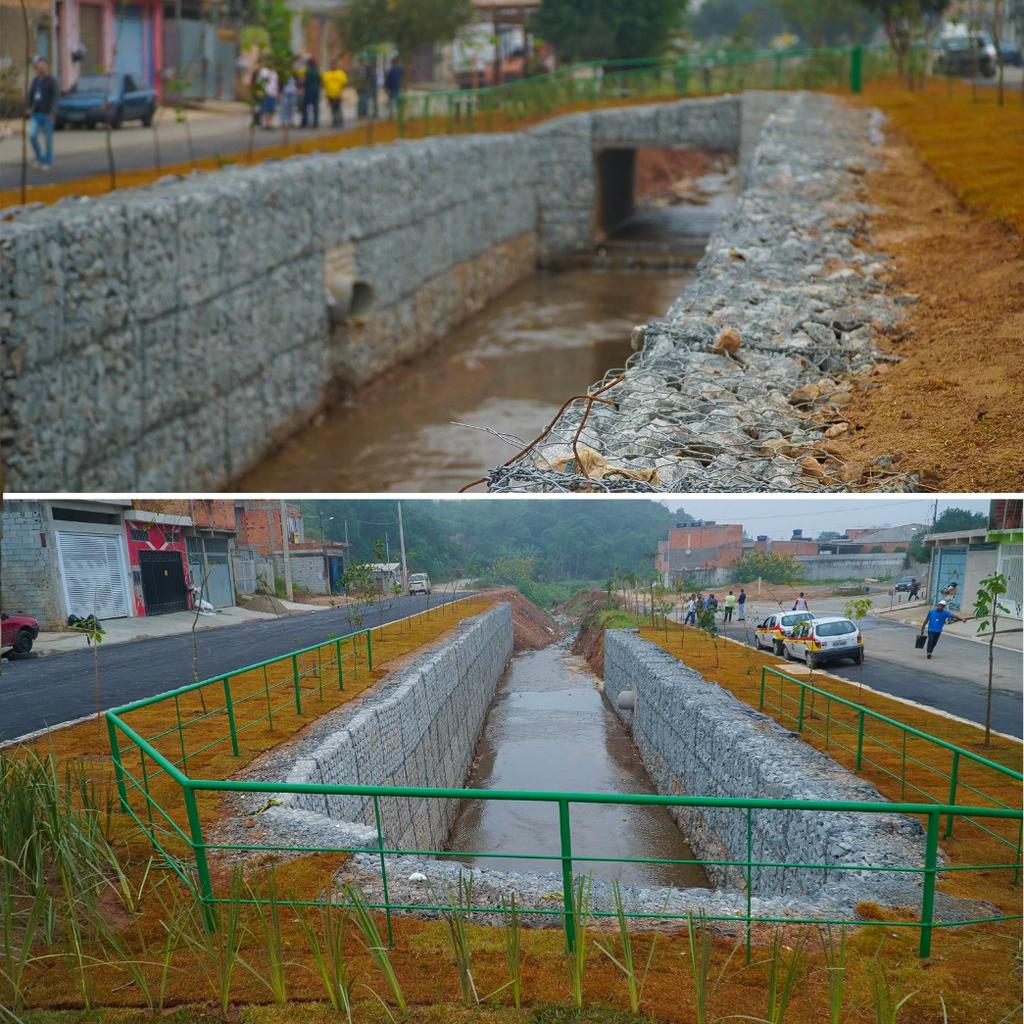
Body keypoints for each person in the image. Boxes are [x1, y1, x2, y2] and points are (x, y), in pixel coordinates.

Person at [26, 56, 58, 170]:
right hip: (36, 114)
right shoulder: (35, 81)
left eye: (42, 65)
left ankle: (48, 161)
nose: (40, 68)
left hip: (48, 115)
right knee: (32, 135)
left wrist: (52, 112)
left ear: (46, 66)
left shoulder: (52, 80)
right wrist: (28, 108)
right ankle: (40, 157)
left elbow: (55, 98)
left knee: (48, 140)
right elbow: (30, 95)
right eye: (38, 66)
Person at [323, 60, 347, 128]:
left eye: (334, 65)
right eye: (331, 65)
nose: (333, 66)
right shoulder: (327, 74)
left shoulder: (340, 73)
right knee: (332, 109)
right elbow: (325, 84)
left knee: (338, 109)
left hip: (338, 94)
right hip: (330, 95)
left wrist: (340, 92)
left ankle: (340, 122)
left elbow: (344, 83)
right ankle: (334, 122)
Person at [256, 62, 279, 129]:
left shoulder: (275, 73)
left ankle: (270, 124)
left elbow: (276, 83)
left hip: (273, 94)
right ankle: (266, 124)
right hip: (265, 93)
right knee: (265, 109)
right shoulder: (263, 71)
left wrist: (277, 93)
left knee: (271, 110)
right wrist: (259, 91)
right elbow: (259, 82)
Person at [301, 56, 321, 128]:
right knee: (315, 107)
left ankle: (304, 122)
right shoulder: (317, 71)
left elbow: (304, 81)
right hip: (316, 90)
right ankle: (315, 123)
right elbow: (320, 81)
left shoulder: (307, 71)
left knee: (304, 107)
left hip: (308, 90)